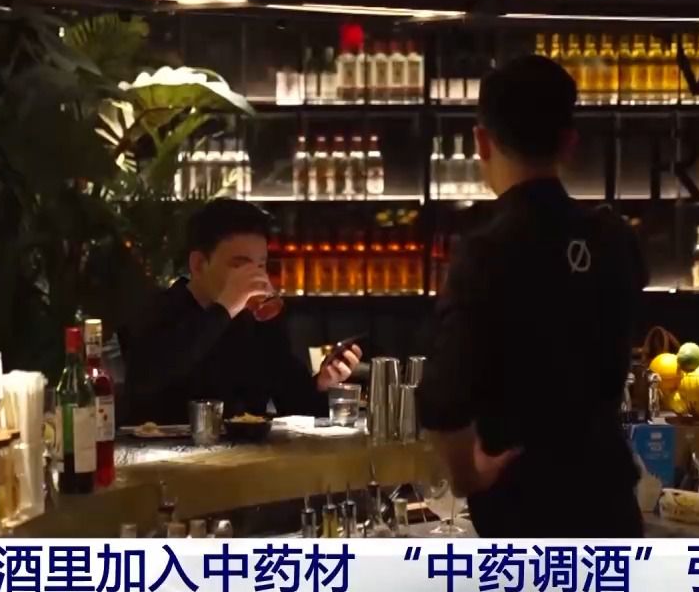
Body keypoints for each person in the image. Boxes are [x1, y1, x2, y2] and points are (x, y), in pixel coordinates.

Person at [416, 56, 649, 537]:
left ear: (482, 141)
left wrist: (466, 477)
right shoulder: (614, 238)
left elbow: (443, 401)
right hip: (609, 503)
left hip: (525, 511)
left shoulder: (484, 252)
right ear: (569, 143)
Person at [123, 199, 362, 424]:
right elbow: (147, 380)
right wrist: (226, 306)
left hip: (248, 453)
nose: (253, 277)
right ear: (199, 264)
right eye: (239, 265)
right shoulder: (157, 310)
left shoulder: (258, 321)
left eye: (260, 265)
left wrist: (322, 384)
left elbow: (292, 404)